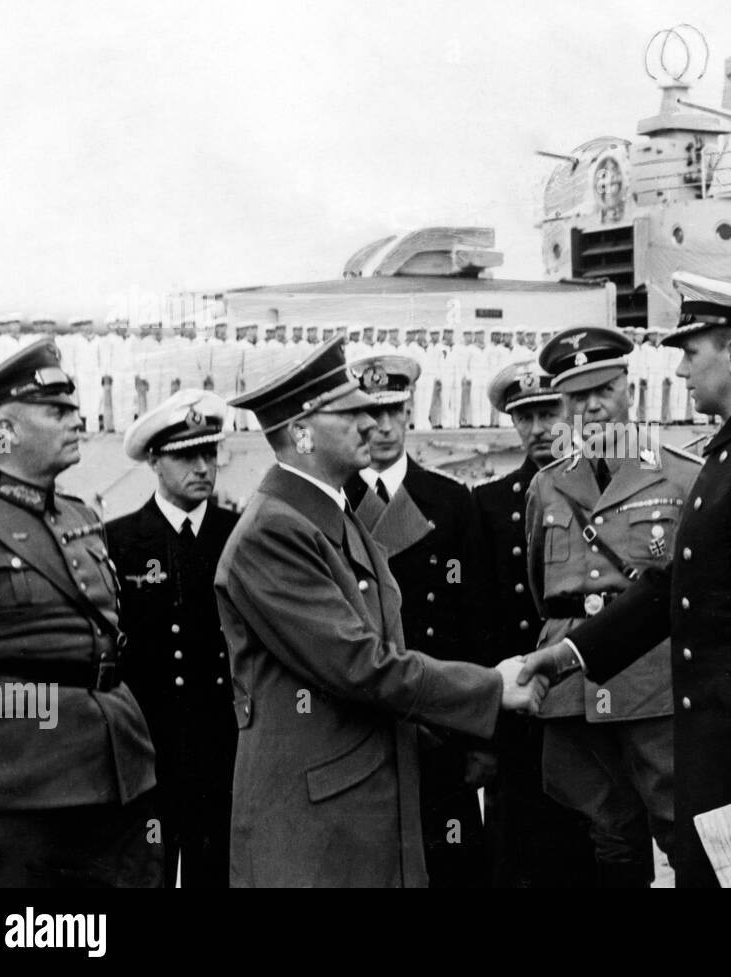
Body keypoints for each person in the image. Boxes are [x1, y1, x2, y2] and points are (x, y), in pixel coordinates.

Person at [519, 273, 731, 888]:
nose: (679, 373)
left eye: (690, 353)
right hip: (720, 741)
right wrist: (570, 653)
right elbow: (681, 581)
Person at [215, 337, 546, 887]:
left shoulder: (330, 516)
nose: (371, 426)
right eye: (351, 413)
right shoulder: (273, 532)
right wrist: (490, 688)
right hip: (317, 824)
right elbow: (359, 664)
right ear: (301, 432)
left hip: (361, 802)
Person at [0, 339, 160, 886]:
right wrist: (16, 715)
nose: (76, 421)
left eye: (74, 409)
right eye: (57, 412)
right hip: (16, 790)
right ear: (5, 432)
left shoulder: (84, 519)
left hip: (117, 772)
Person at [521, 325, 700, 888]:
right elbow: (539, 587)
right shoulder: (547, 486)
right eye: (577, 397)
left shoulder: (681, 474)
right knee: (606, 831)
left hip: (651, 681)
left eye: (603, 390)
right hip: (572, 687)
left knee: (681, 824)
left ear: (631, 391)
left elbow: (690, 589)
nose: (592, 407)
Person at [342, 352, 493, 887]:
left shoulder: (451, 501)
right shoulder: (335, 506)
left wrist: (482, 735)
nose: (382, 427)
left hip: (441, 721)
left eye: (394, 411)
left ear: (410, 413)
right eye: (370, 413)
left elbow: (476, 619)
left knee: (450, 865)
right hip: (366, 721)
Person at [107, 389, 238, 888]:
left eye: (210, 454)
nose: (203, 467)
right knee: (146, 873)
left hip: (224, 748)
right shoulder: (117, 541)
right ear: (155, 461)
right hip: (148, 748)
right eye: (187, 456)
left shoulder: (240, 534)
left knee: (219, 873)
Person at [474, 360, 597, 888]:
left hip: (594, 700)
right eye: (525, 417)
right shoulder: (486, 505)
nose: (539, 429)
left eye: (549, 412)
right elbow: (481, 619)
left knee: (599, 850)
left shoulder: (606, 489)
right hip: (522, 709)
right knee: (520, 853)